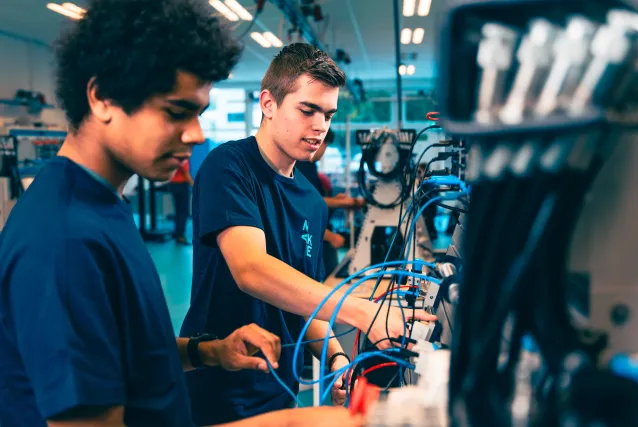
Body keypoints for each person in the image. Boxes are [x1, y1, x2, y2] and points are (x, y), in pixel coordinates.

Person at [0, 1, 361, 426]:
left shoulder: (101, 208)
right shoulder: (65, 239)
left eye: (199, 113)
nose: (197, 134)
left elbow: (127, 350)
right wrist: (290, 423)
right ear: (101, 98)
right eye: (176, 112)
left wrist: (208, 351)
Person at [180, 43, 435, 426]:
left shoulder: (312, 201)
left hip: (279, 390)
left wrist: (335, 356)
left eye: (328, 115)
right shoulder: (229, 167)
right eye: (307, 110)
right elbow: (251, 269)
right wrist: (364, 313)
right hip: (218, 388)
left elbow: (303, 300)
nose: (320, 126)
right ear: (268, 103)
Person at [295, 128, 365, 277]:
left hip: (319, 236)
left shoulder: (308, 167)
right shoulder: (301, 167)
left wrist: (338, 201)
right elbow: (305, 208)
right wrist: (330, 236)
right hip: (315, 238)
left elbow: (315, 200)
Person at [169, 160, 194, 245]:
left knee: (179, 211)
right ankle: (180, 236)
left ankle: (177, 234)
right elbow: (186, 174)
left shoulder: (174, 158)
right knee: (184, 212)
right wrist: (194, 186)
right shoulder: (184, 159)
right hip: (181, 186)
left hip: (173, 185)